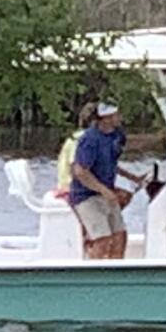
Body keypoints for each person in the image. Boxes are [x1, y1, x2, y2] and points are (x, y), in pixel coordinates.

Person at [63, 99, 150, 260]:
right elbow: (80, 171)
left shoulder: (117, 135)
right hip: (87, 196)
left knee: (120, 236)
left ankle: (116, 273)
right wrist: (103, 190)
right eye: (115, 114)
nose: (119, 117)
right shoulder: (90, 140)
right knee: (102, 240)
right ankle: (94, 273)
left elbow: (110, 162)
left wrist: (132, 177)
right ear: (106, 118)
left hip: (106, 193)